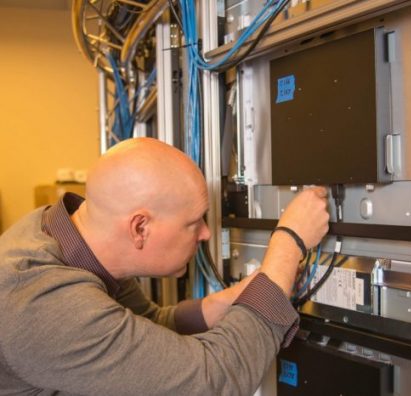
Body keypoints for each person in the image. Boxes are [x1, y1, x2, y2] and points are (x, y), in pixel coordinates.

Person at [0, 137, 329, 395]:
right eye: (193, 222)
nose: (205, 233)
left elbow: (147, 324)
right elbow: (212, 381)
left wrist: (239, 296)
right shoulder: (42, 302)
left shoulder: (63, 233)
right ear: (139, 228)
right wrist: (289, 242)